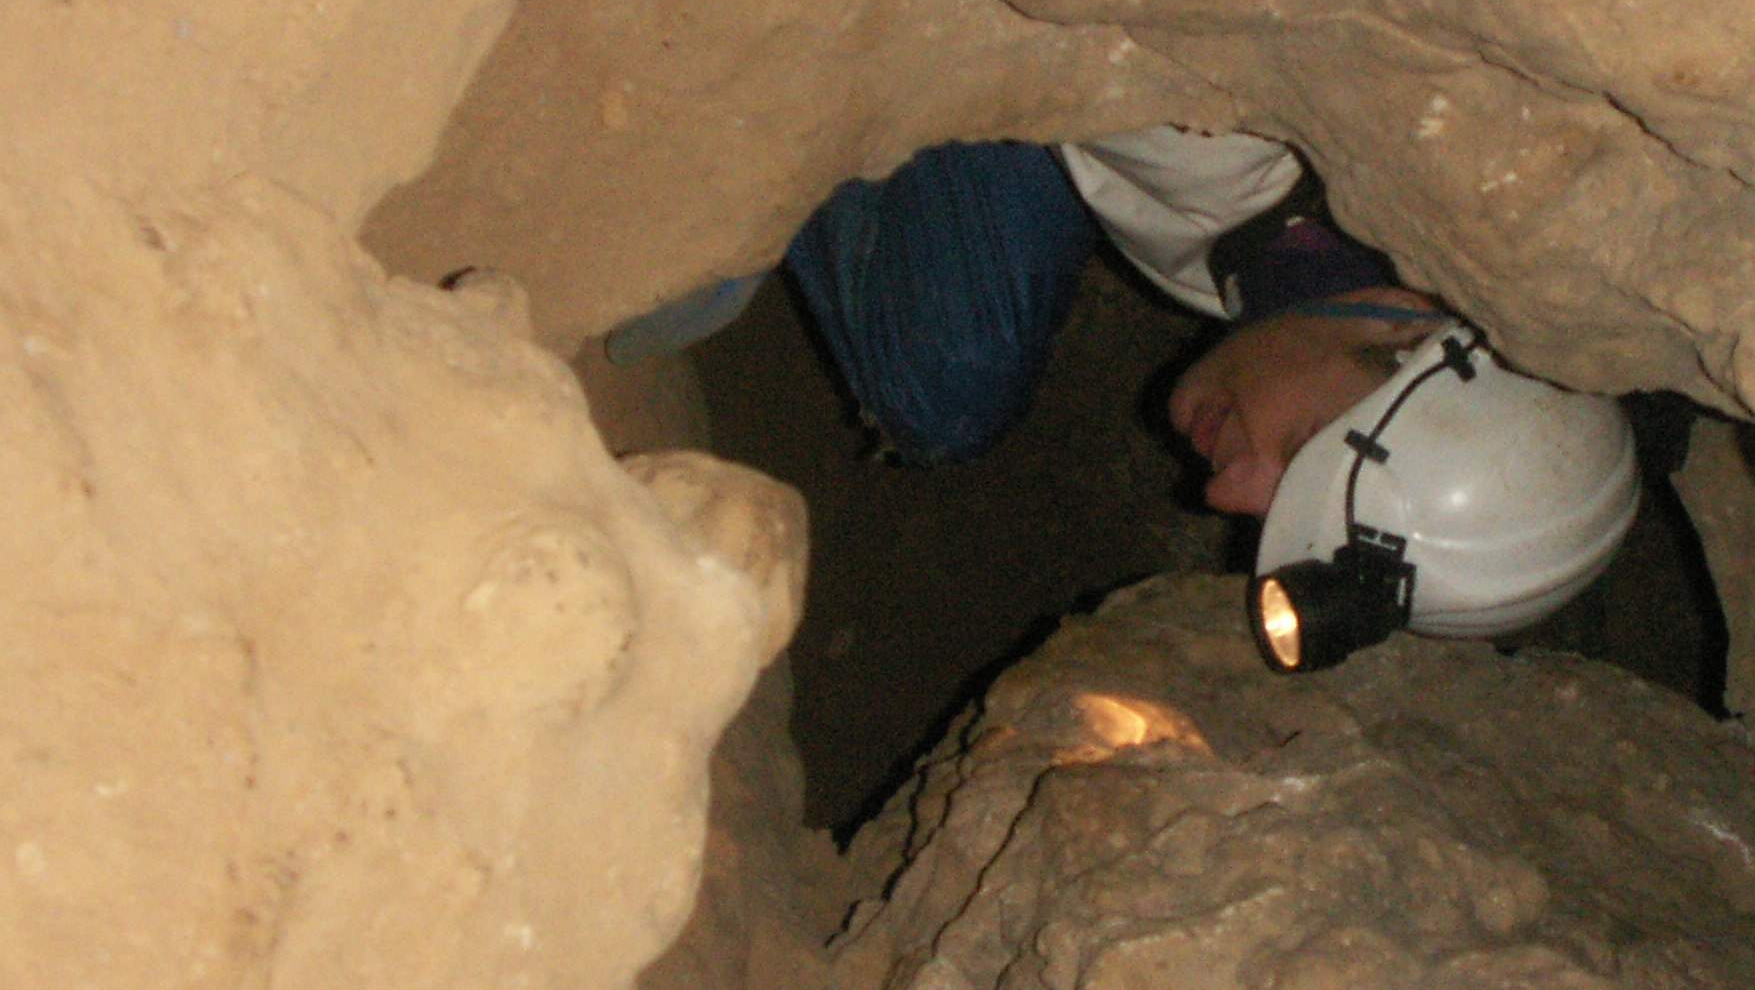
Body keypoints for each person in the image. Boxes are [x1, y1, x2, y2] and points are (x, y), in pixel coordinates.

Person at [609, 130, 1641, 667]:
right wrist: (732, 197)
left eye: (1270, 511)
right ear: (1401, 326)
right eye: (1299, 451)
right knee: (955, 367)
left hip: (1069, 131)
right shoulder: (1209, 143)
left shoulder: (1278, 263)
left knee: (947, 389)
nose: (1224, 492)